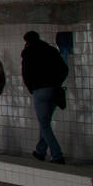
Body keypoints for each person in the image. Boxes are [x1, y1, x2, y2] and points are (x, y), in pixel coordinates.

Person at [22, 31, 67, 164]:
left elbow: (26, 74)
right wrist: (56, 83)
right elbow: (64, 69)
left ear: (27, 41)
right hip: (53, 90)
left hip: (39, 91)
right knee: (45, 122)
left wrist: (32, 88)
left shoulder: (28, 53)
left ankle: (57, 155)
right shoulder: (51, 50)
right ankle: (40, 151)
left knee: (44, 124)